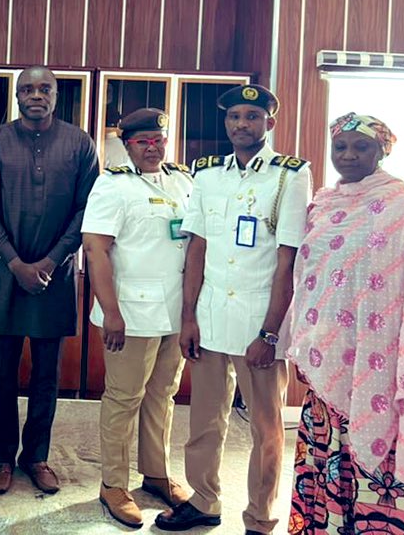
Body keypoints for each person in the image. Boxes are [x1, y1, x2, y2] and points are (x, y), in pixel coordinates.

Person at [287, 113, 404, 535]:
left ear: (382, 151)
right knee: (329, 455)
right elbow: (308, 282)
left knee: (383, 463)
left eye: (362, 147)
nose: (349, 155)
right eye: (341, 147)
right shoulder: (322, 207)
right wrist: (302, 341)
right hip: (327, 367)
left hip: (384, 373)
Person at [156, 84, 312, 534]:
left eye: (250, 116)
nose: (241, 125)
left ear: (269, 122)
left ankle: (261, 517)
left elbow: (289, 259)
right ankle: (204, 502)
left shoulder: (289, 175)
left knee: (266, 430)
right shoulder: (208, 174)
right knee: (204, 421)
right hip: (209, 319)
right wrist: (188, 317)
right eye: (233, 117)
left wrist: (269, 333)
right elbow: (197, 249)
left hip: (258, 323)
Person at [0, 66, 99, 495]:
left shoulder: (80, 143)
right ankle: (3, 457)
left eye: (44, 88)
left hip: (56, 276)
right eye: (27, 88)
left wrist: (50, 259)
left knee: (48, 376)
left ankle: (37, 456)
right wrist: (14, 261)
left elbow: (87, 210)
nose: (35, 95)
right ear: (17, 96)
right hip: (6, 274)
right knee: (2, 376)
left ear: (56, 95)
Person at [82, 108, 193, 528]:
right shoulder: (112, 186)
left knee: (161, 396)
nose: (153, 148)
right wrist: (111, 311)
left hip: (173, 311)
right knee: (123, 398)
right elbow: (96, 248)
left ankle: (157, 473)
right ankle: (113, 484)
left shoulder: (182, 181)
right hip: (129, 313)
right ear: (127, 145)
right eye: (143, 142)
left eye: (159, 141)